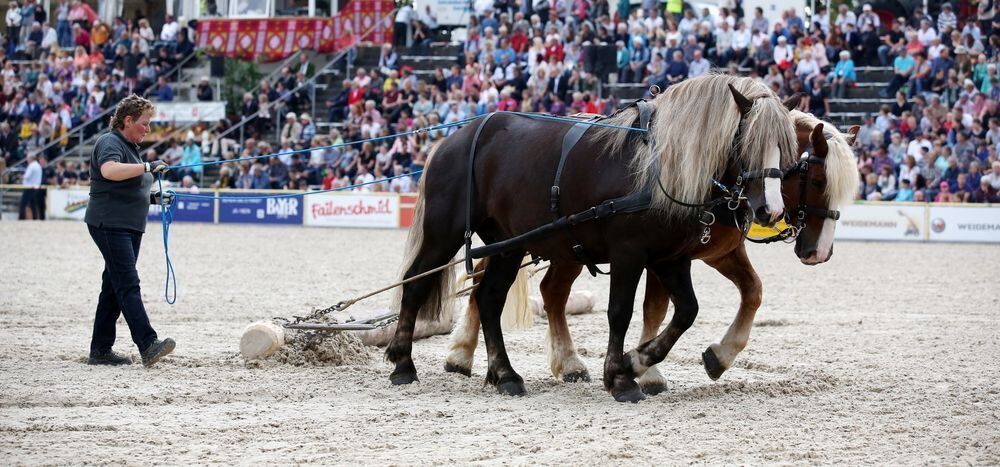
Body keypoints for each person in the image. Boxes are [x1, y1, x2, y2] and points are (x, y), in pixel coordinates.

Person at [84, 94, 176, 367]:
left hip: (126, 224)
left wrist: (154, 199)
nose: (148, 129)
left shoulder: (130, 147)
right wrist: (147, 166)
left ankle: (100, 349)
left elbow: (127, 187)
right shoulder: (110, 142)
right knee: (127, 283)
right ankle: (148, 344)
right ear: (128, 120)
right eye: (145, 123)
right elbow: (110, 171)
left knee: (113, 287)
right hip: (110, 223)